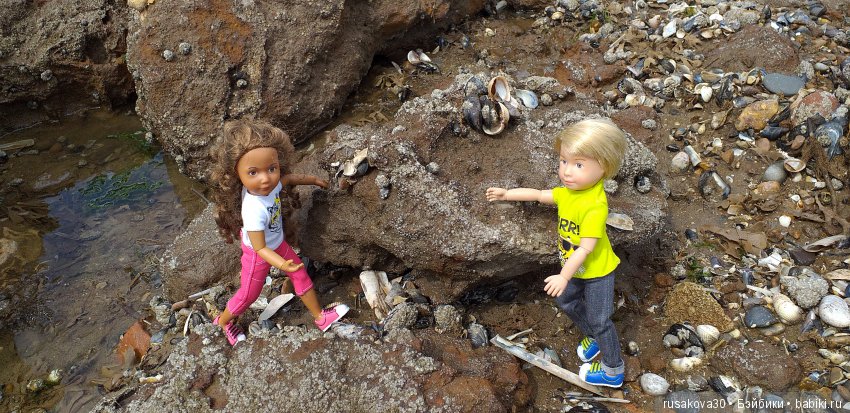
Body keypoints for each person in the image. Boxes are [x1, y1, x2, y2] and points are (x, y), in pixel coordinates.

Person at [485, 118, 627, 387]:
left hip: (597, 271)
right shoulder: (568, 193)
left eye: (579, 165)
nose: (567, 172)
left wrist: (563, 276)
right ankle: (594, 337)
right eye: (563, 161)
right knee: (566, 302)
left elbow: (586, 248)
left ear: (604, 167)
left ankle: (613, 370)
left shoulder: (594, 206)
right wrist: (507, 194)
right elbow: (540, 195)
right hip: (574, 268)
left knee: (601, 319)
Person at [209, 119, 349, 346]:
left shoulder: (270, 185)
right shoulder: (253, 210)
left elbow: (288, 179)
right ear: (236, 173)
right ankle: (222, 322)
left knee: (300, 273)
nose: (265, 178)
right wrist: (282, 265)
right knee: (248, 295)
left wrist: (313, 180)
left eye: (271, 169)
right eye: (253, 172)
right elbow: (259, 247)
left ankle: (321, 318)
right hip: (258, 254)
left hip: (275, 244)